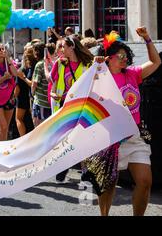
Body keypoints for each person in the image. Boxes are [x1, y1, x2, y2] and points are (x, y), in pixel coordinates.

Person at [83, 28, 161, 216]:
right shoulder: (100, 77)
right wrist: (95, 67)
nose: (125, 58)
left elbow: (156, 61)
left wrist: (147, 39)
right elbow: (84, 91)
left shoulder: (133, 74)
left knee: (145, 181)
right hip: (110, 138)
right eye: (120, 55)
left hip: (134, 135)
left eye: (126, 55)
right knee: (108, 185)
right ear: (109, 58)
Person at [50, 35, 93, 183]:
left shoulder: (88, 64)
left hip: (83, 107)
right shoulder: (59, 64)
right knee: (65, 139)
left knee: (83, 139)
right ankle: (63, 166)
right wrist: (54, 94)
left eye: (63, 46)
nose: (61, 50)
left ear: (72, 47)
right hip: (65, 107)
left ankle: (85, 171)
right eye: (60, 47)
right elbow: (54, 87)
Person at [15, 47, 35, 137]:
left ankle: (23, 138)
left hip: (24, 98)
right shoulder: (35, 66)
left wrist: (13, 97)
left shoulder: (22, 70)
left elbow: (17, 90)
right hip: (31, 97)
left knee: (18, 118)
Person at [31, 42, 51, 126]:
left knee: (38, 127)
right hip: (49, 101)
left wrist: (32, 93)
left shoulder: (39, 65)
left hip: (41, 101)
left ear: (36, 52)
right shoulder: (50, 62)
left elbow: (35, 83)